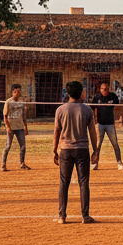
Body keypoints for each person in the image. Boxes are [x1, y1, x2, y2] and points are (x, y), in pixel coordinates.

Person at [52, 80, 99, 224]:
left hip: (66, 149)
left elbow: (56, 131)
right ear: (81, 93)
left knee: (63, 182)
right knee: (84, 182)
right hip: (82, 150)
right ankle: (85, 216)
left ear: (68, 93)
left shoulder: (60, 110)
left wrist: (55, 150)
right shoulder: (87, 110)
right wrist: (95, 150)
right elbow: (92, 131)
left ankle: (61, 216)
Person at [92, 81, 123, 170]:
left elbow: (118, 108)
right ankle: (95, 163)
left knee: (115, 144)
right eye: (103, 89)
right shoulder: (96, 98)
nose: (105, 90)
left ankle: (119, 163)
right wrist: (93, 120)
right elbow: (92, 109)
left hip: (110, 124)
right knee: (98, 145)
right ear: (100, 90)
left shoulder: (113, 96)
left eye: (106, 89)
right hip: (100, 124)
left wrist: (121, 120)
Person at [2, 84, 30, 171]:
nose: (17, 93)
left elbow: (23, 115)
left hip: (20, 127)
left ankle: (22, 163)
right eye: (16, 92)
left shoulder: (21, 102)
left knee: (23, 146)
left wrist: (25, 127)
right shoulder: (8, 102)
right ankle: (3, 164)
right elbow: (5, 115)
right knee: (8, 146)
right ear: (13, 92)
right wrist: (8, 127)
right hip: (11, 126)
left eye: (19, 91)